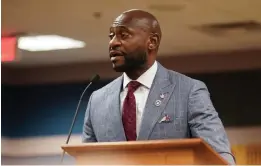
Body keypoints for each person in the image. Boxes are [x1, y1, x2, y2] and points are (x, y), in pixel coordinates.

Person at [82, 9, 235, 164]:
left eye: (123, 35)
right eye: (111, 36)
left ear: (152, 42)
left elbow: (219, 156)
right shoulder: (97, 100)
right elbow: (86, 160)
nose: (113, 42)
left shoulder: (189, 91)